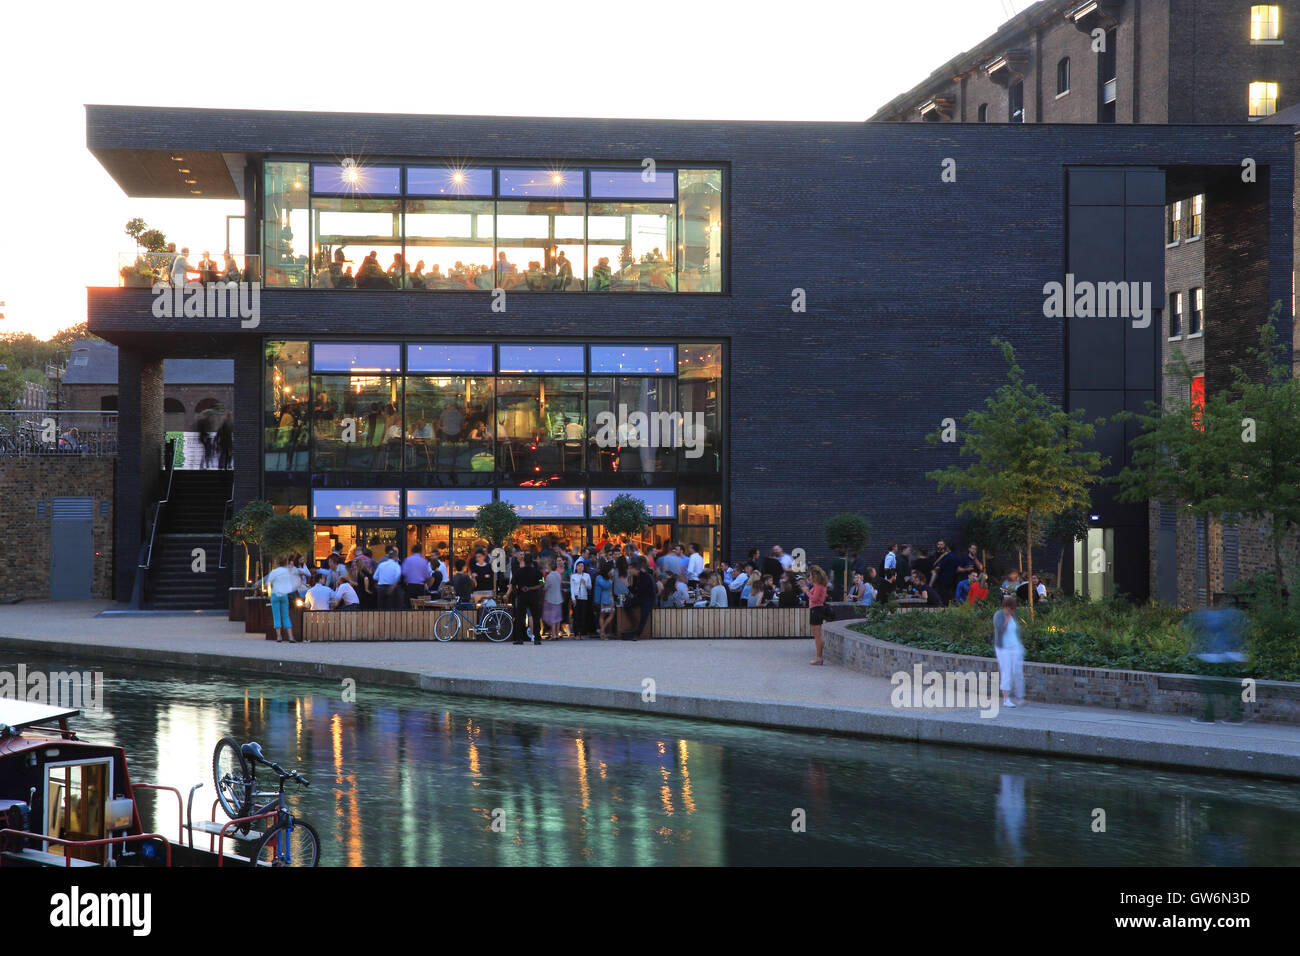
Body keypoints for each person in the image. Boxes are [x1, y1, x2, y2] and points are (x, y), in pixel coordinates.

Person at [993, 596, 1025, 708]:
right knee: (1006, 671)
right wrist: (1006, 619)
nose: (1012, 611)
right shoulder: (999, 615)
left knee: (1017, 672)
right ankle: (1006, 699)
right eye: (1011, 609)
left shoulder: (1013, 616)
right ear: (1006, 607)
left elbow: (1015, 631)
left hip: (1015, 646)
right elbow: (1000, 629)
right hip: (1003, 648)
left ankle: (1020, 696)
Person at [509, 552, 545, 644]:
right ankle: (537, 638)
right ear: (532, 561)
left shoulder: (518, 572)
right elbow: (542, 583)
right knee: (536, 618)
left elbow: (513, 583)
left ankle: (519, 638)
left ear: (524, 561)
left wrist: (516, 592)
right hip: (534, 596)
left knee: (520, 618)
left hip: (522, 596)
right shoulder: (538, 572)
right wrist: (532, 589)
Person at [265, 555, 300, 643]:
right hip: (284, 595)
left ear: (276, 563)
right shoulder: (287, 571)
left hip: (275, 594)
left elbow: (268, 583)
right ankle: (290, 636)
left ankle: (279, 636)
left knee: (276, 615)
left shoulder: (274, 572)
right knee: (286, 615)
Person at [800, 565, 830, 665]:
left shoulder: (818, 586)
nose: (810, 577)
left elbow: (814, 598)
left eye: (811, 576)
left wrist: (807, 592)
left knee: (817, 636)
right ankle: (819, 656)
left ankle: (819, 658)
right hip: (816, 609)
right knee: (817, 635)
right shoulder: (821, 585)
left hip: (816, 610)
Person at [626, 559, 657, 641]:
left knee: (644, 616)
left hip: (648, 599)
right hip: (641, 597)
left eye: (630, 569)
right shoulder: (637, 577)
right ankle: (635, 624)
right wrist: (629, 586)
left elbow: (640, 590)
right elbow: (636, 590)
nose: (629, 571)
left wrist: (630, 587)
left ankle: (637, 633)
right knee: (627, 604)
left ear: (634, 569)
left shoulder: (644, 576)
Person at [931, 540, 962, 605]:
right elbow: (959, 568)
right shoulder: (957, 557)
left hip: (943, 578)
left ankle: (944, 605)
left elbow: (939, 567)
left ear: (947, 548)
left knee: (943, 595)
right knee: (950, 594)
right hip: (953, 579)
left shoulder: (946, 556)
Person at [593, 561, 615, 639]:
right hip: (603, 598)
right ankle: (602, 632)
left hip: (609, 597)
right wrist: (611, 580)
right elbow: (605, 586)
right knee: (603, 615)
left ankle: (602, 630)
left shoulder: (603, 577)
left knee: (609, 615)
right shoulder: (600, 578)